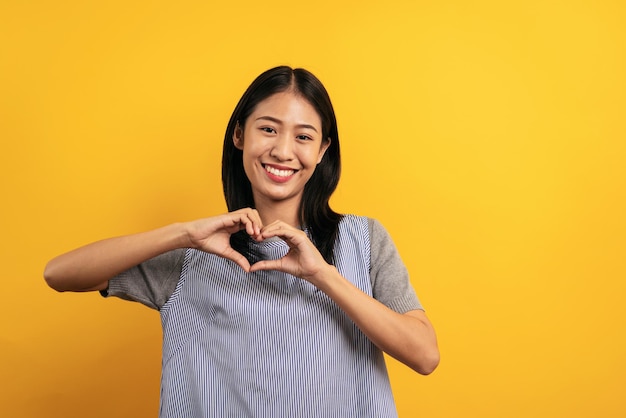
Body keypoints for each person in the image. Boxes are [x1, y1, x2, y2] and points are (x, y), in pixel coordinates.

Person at [44, 66, 439, 417]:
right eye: (268, 129)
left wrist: (323, 275)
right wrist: (183, 234)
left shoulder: (363, 239)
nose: (283, 151)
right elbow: (59, 274)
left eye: (304, 136)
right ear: (239, 135)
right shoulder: (195, 252)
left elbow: (424, 355)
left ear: (322, 151)